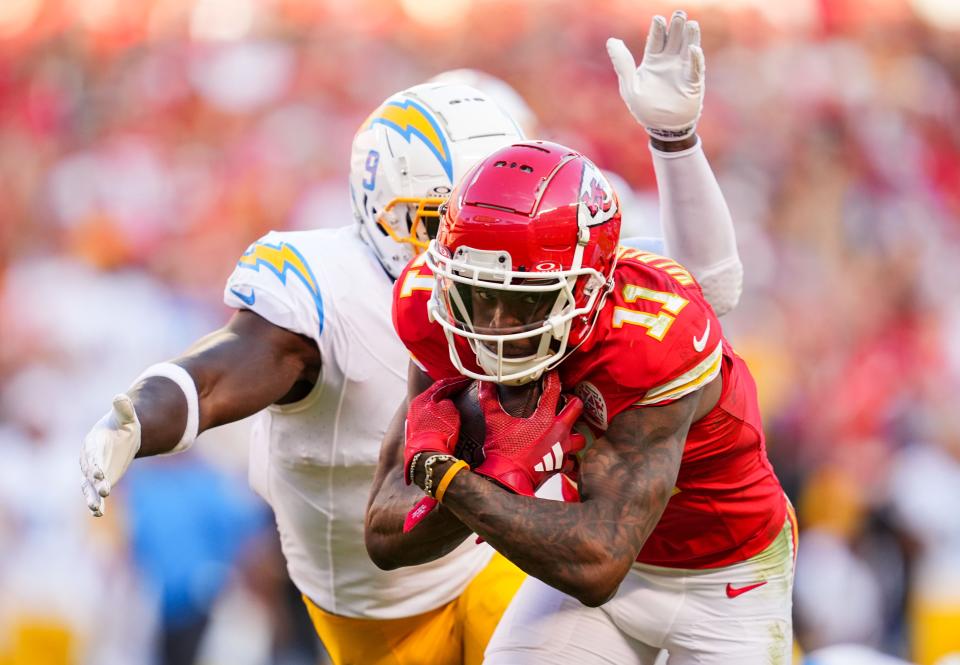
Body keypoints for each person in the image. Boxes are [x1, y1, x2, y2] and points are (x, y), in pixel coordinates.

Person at [366, 11, 795, 665]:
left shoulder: (652, 337)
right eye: (480, 297)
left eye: (523, 302)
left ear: (588, 287)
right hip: (589, 565)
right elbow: (384, 533)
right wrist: (478, 478)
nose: (495, 326)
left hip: (725, 577)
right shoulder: (435, 308)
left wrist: (461, 481)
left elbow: (597, 559)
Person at [79, 81, 528, 665]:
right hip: (383, 614)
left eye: (491, 223)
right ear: (383, 210)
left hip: (494, 551)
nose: (474, 252)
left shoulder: (524, 281)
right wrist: (141, 416)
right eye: (441, 221)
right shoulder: (327, 289)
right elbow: (215, 376)